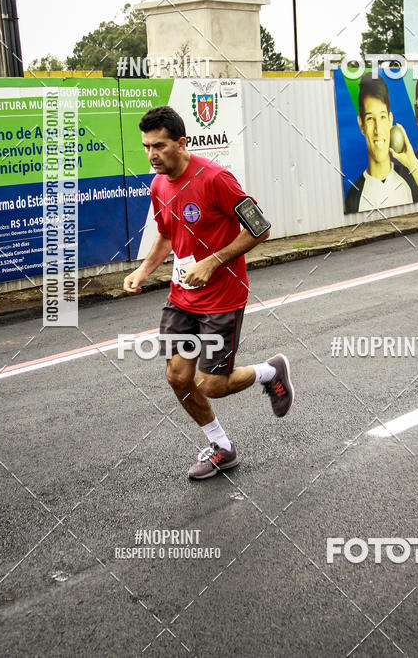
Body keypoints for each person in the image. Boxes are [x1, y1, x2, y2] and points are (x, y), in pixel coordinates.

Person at [123, 105, 294, 480]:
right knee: (178, 378)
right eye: (146, 146)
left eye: (160, 146)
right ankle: (222, 447)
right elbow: (167, 236)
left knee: (211, 385)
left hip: (222, 297)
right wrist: (143, 269)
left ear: (182, 143)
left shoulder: (216, 179)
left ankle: (270, 371)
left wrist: (213, 262)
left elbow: (260, 227)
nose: (152, 155)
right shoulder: (158, 185)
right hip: (182, 297)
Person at [345, 73, 418, 212]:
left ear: (390, 119)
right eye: (370, 119)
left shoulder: (410, 178)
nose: (378, 130)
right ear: (361, 124)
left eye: (382, 117)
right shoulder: (354, 196)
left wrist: (413, 165)